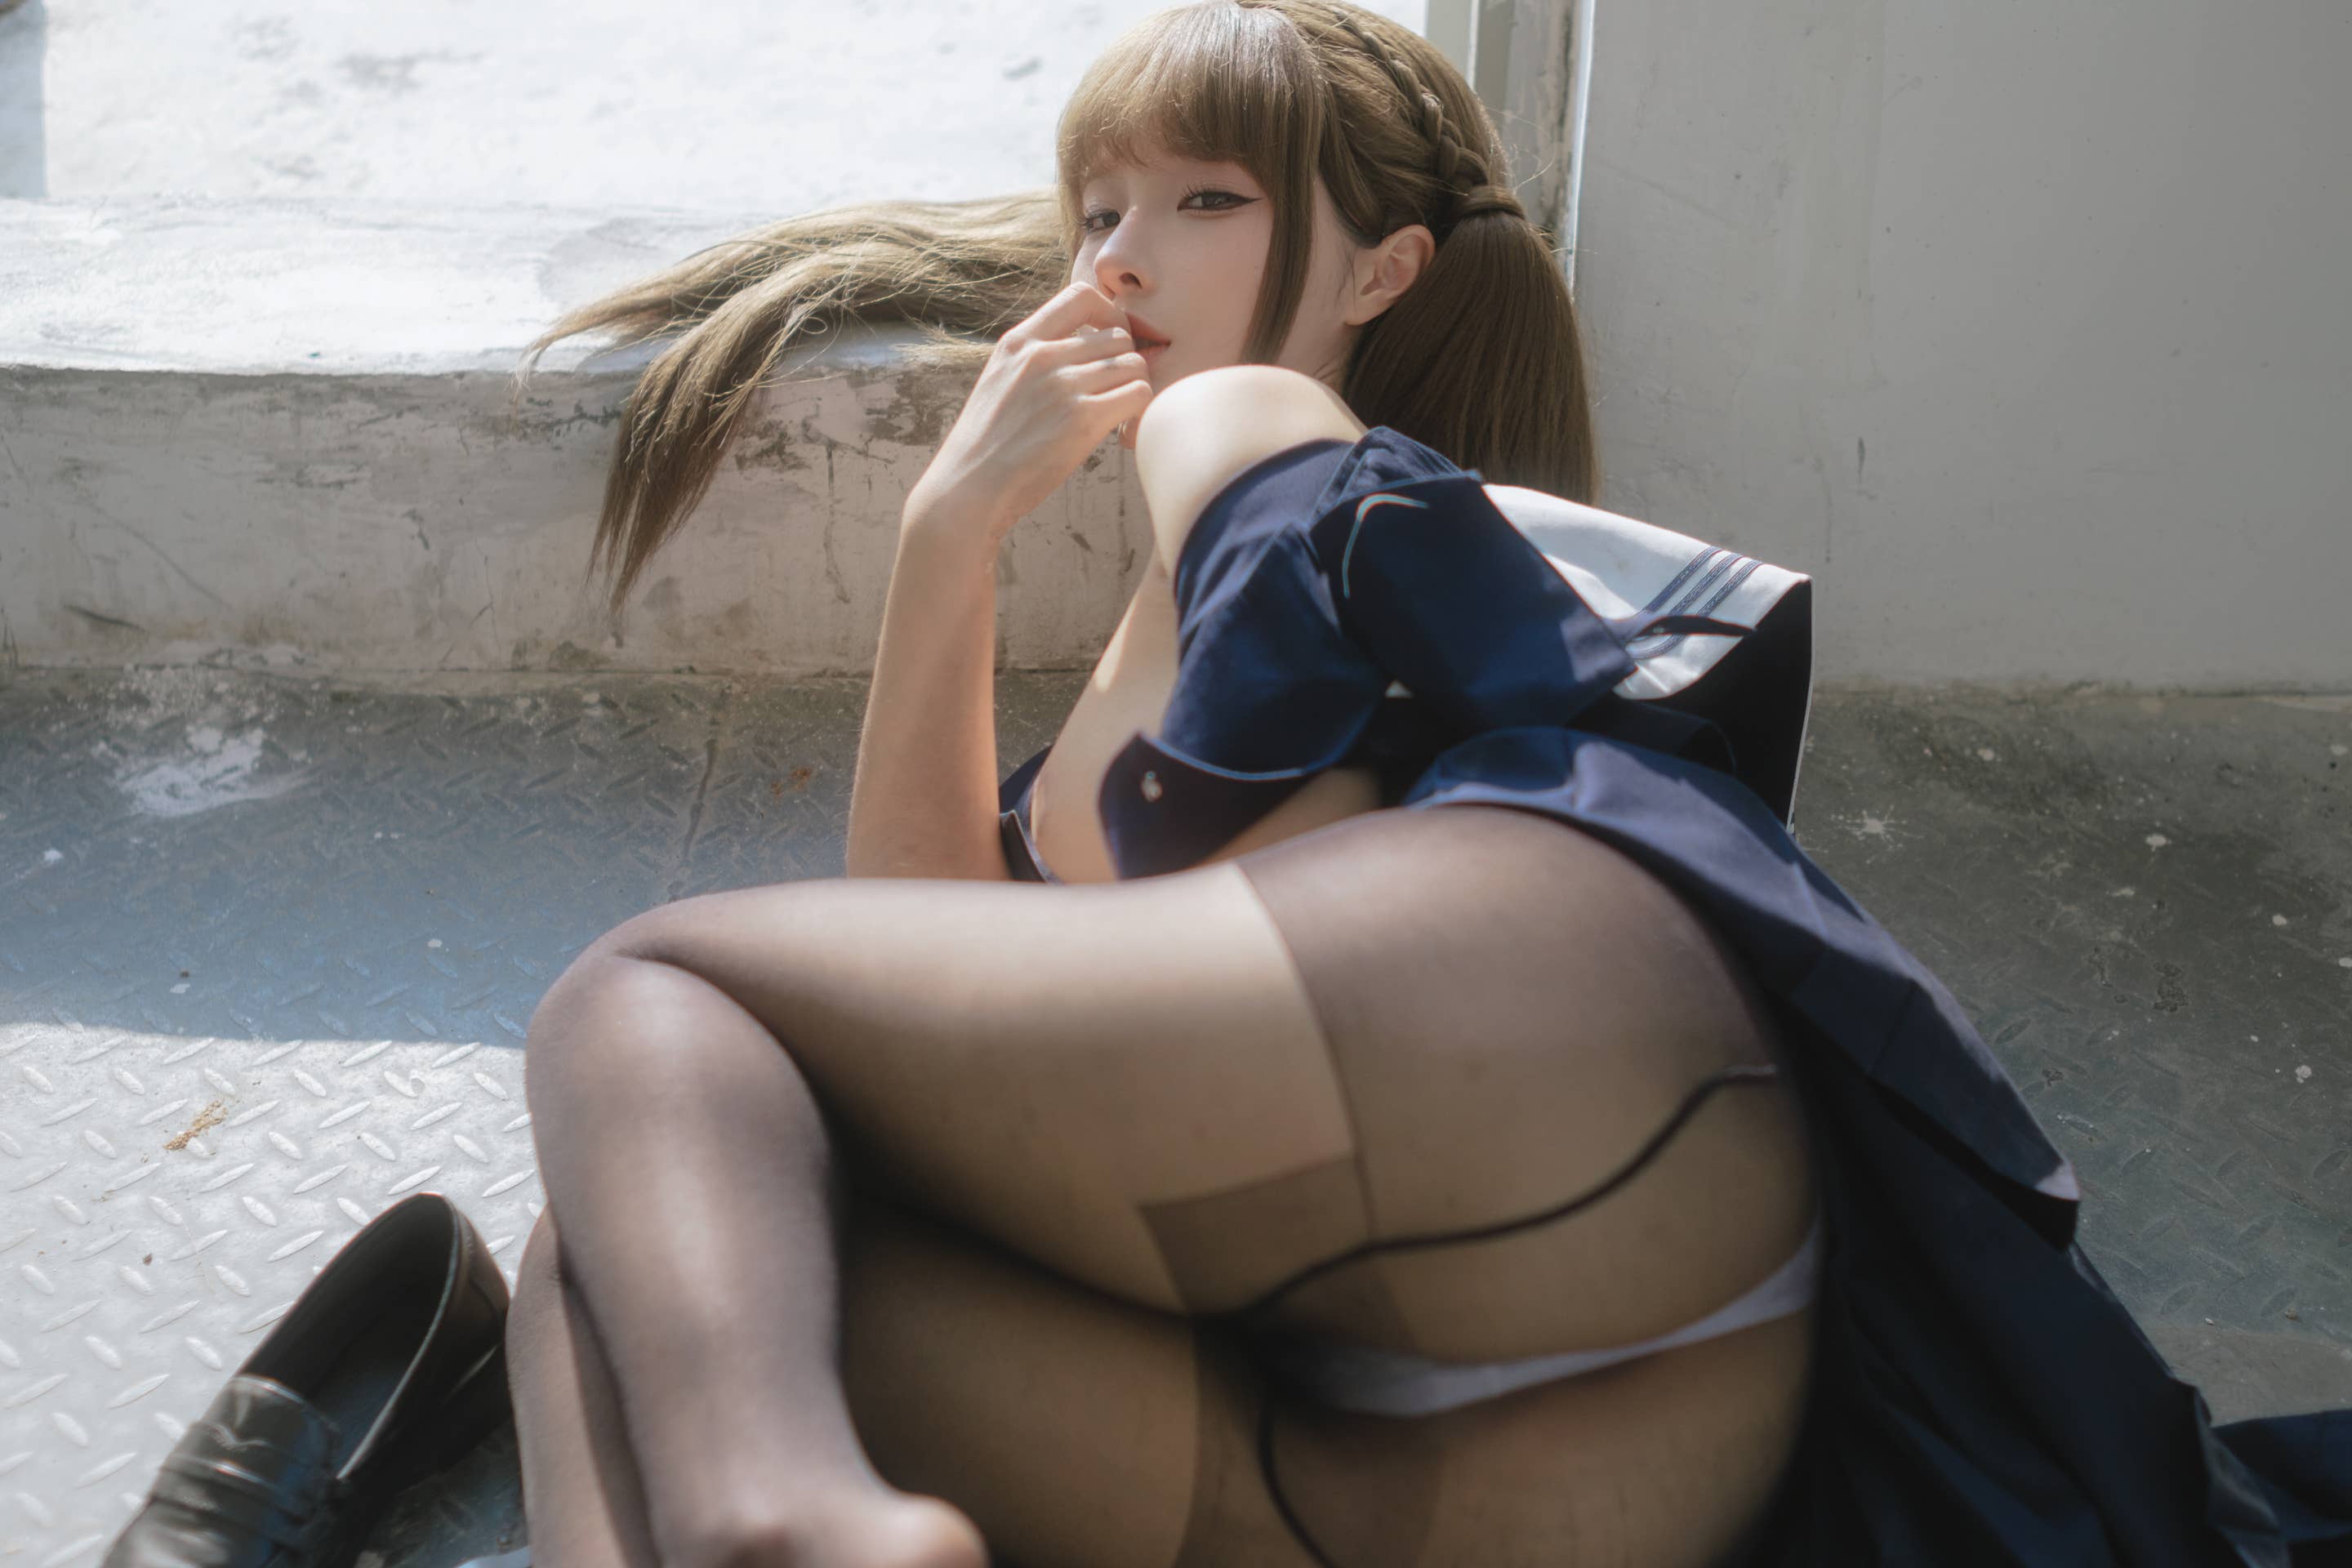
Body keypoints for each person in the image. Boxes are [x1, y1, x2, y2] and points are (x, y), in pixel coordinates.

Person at [507, 4, 2352, 1566]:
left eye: (1205, 199)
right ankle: (777, 1520)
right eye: (1097, 212)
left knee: (639, 993)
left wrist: (1163, 793)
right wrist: (946, 535)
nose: (1118, 261)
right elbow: (899, 981)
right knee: (638, 1247)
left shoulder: (1267, 436)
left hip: (1550, 1045)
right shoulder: (1148, 690)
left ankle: (780, 1519)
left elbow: (1283, 589)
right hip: (1549, 1448)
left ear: (1382, 271)